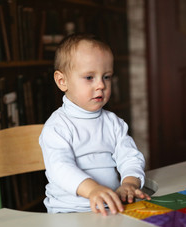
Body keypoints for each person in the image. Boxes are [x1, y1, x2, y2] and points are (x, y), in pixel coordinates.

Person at [39, 33, 150, 216]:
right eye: (89, 77)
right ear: (62, 81)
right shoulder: (57, 126)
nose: (101, 85)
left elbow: (130, 156)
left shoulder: (113, 123)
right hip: (69, 212)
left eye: (106, 77)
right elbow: (60, 168)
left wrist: (129, 183)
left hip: (112, 206)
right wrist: (92, 190)